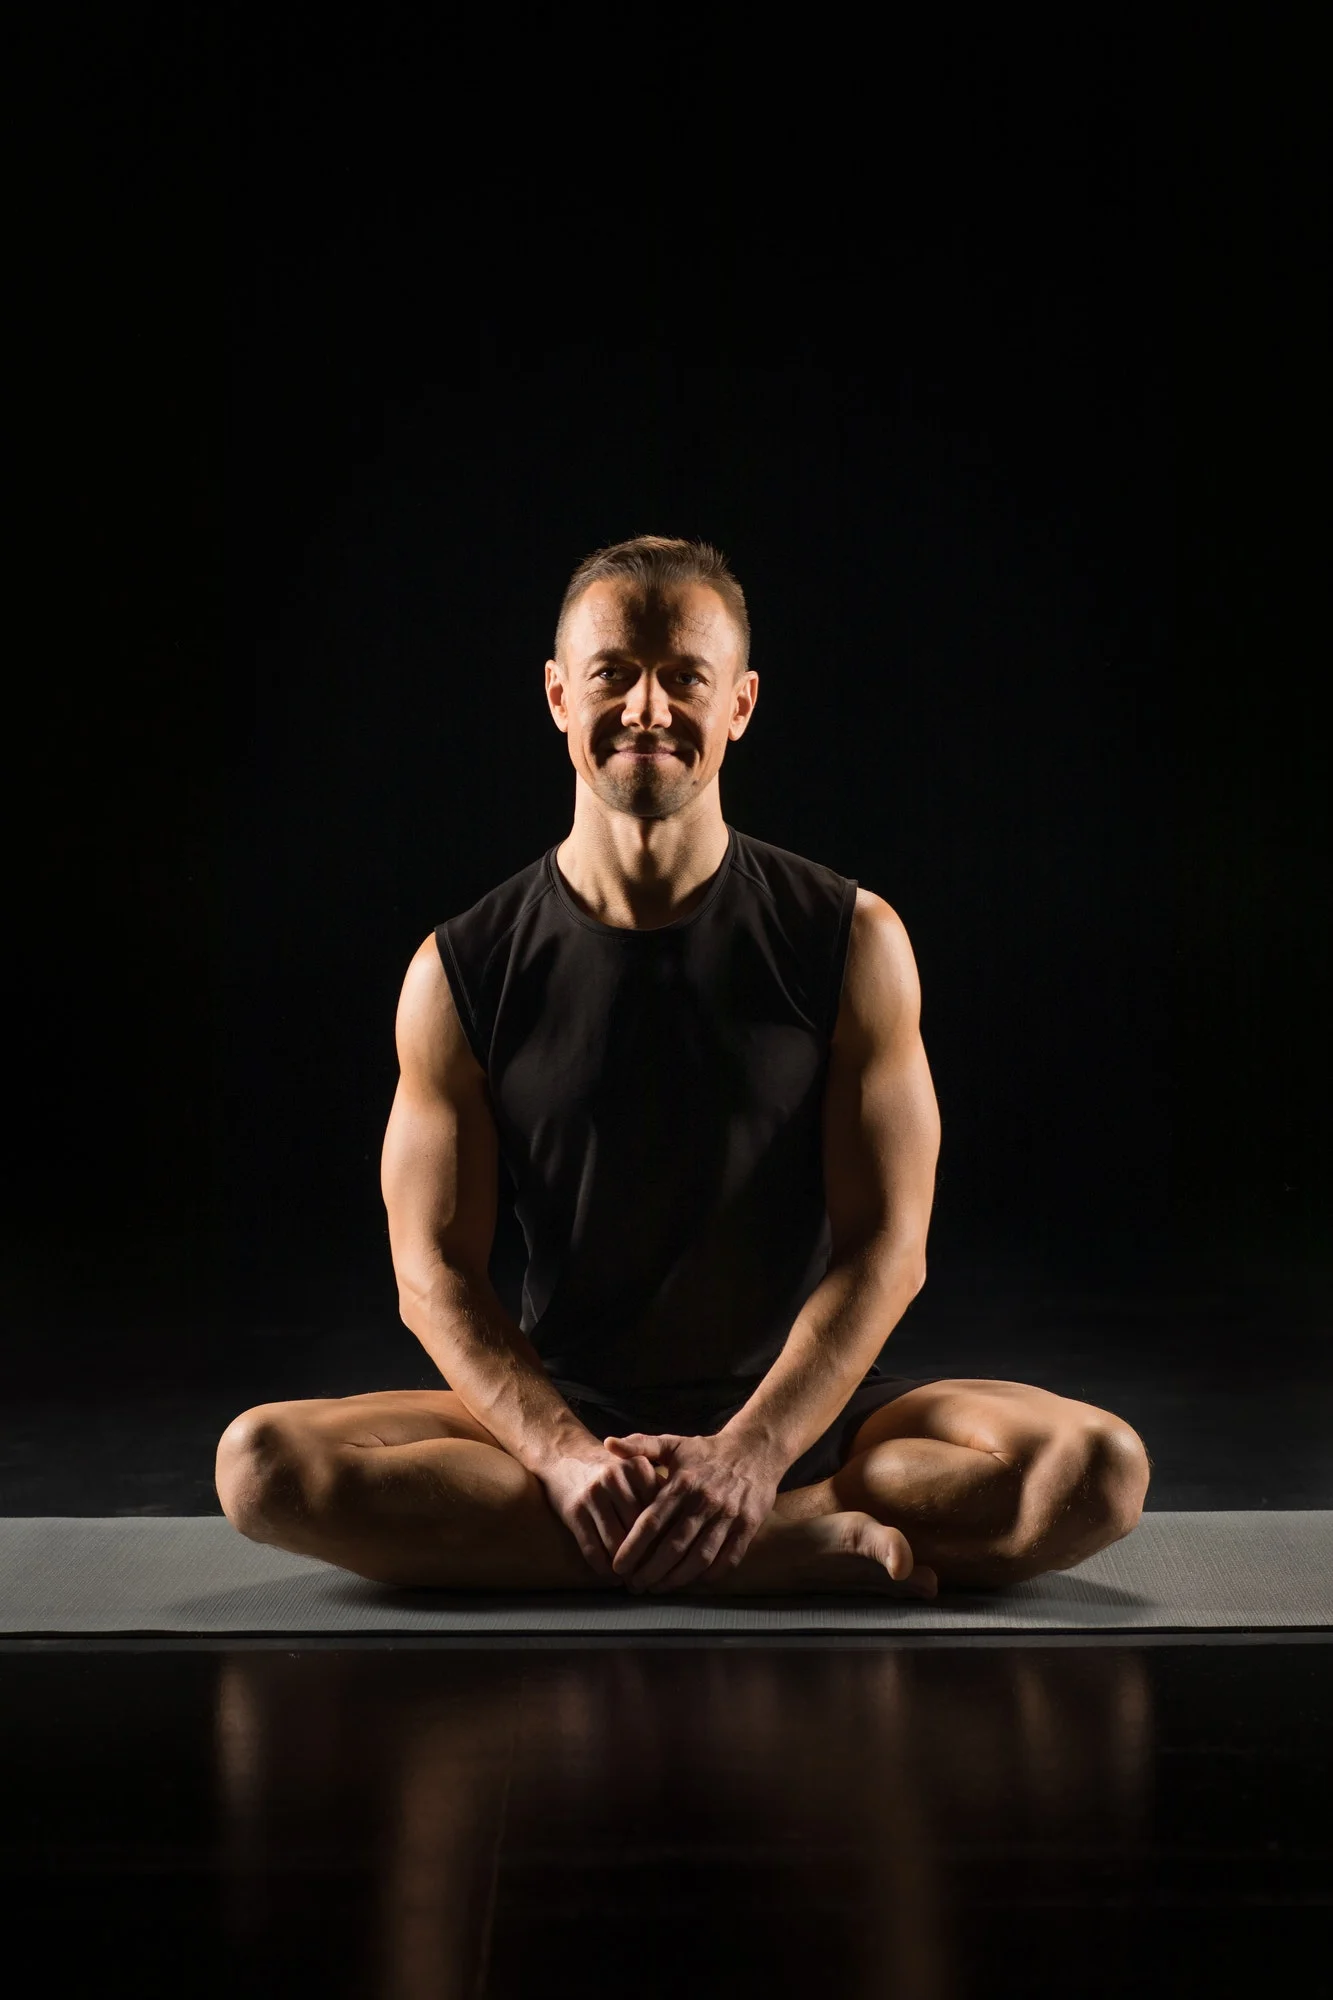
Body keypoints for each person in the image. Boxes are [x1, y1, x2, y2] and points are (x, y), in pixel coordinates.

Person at [216, 536, 1150, 1598]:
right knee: (261, 1466)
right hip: (568, 1413)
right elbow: (433, 1277)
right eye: (614, 672)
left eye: (686, 676)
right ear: (559, 695)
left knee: (1094, 1468)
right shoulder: (458, 968)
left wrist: (752, 1454)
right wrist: (563, 1454)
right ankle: (774, 1553)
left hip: (810, 1407)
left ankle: (737, 1525)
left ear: (740, 703)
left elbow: (889, 1249)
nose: (648, 708)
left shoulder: (851, 939)